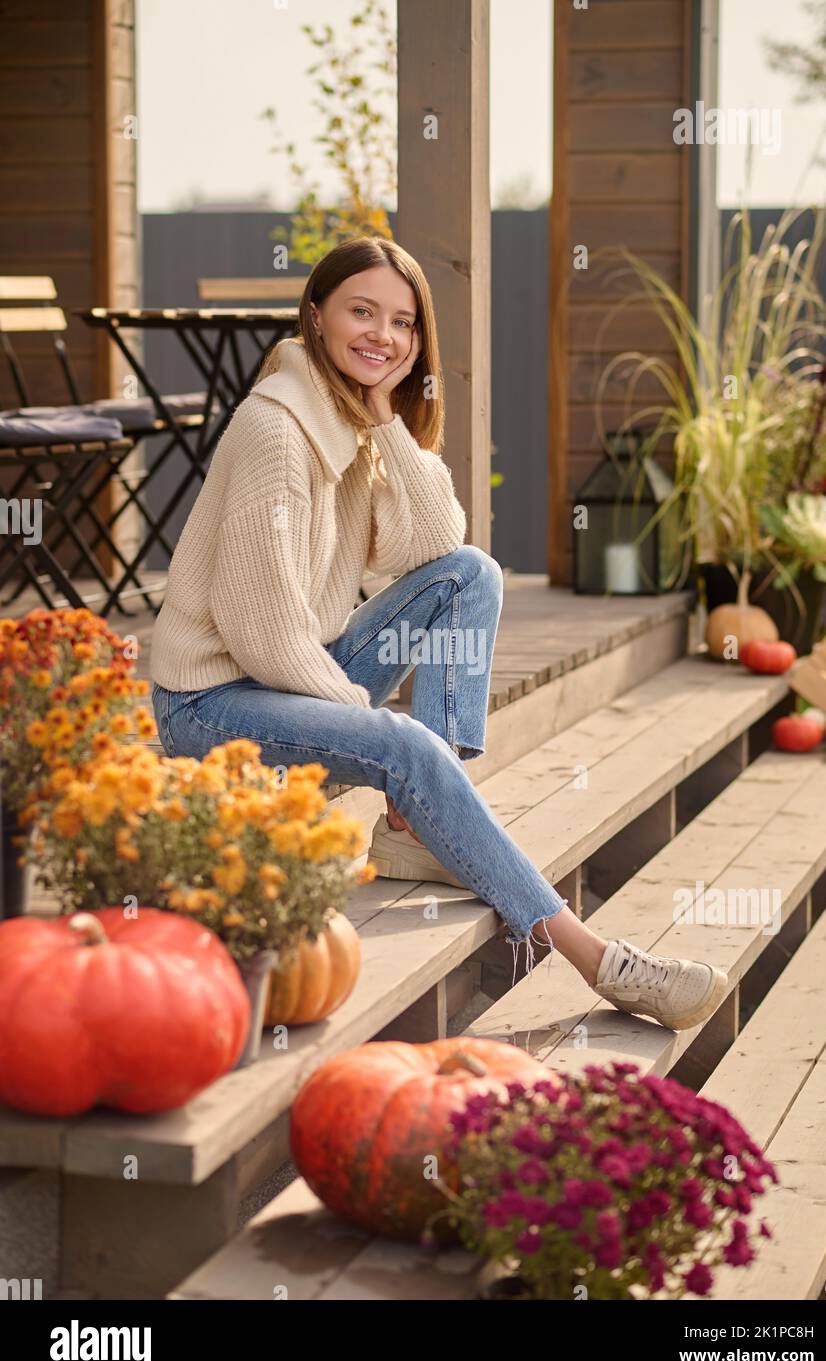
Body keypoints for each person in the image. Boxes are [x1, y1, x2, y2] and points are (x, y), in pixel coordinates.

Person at [149, 235, 727, 1032]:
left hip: (290, 671)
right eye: (361, 312)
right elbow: (262, 630)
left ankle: (418, 820)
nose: (383, 336)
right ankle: (594, 958)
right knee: (404, 748)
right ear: (315, 317)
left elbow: (432, 537)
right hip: (211, 706)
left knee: (472, 573)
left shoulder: (347, 417)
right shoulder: (277, 432)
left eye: (403, 322)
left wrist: (386, 416)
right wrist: (370, 727)